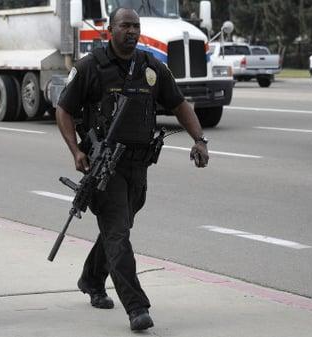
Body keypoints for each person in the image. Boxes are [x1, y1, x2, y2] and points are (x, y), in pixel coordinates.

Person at [55, 8, 209, 331]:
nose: (132, 31)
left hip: (139, 166)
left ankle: (91, 279)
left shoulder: (152, 67)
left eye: (136, 26)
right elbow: (64, 110)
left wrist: (200, 139)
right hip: (105, 166)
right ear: (110, 30)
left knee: (118, 229)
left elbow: (180, 105)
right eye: (125, 25)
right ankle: (136, 306)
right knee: (117, 233)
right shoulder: (90, 67)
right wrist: (75, 151)